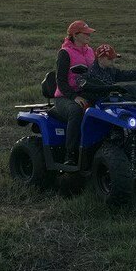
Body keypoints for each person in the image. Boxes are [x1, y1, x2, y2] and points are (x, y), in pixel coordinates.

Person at [52, 20, 97, 165]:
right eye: (86, 33)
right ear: (75, 35)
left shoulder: (90, 51)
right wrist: (74, 96)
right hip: (65, 97)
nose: (89, 35)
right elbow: (61, 81)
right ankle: (70, 154)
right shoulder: (65, 53)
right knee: (76, 111)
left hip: (86, 93)